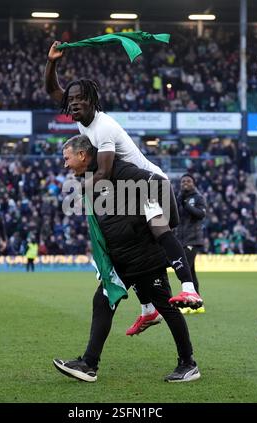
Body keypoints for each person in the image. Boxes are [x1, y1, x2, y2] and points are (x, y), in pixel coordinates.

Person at [45, 42, 203, 321]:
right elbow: (52, 92)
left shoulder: (104, 127)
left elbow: (104, 174)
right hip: (132, 190)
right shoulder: (84, 123)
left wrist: (81, 191)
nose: (71, 104)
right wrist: (52, 63)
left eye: (77, 99)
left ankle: (189, 289)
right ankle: (149, 308)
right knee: (129, 248)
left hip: (152, 185)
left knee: (160, 232)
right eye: (70, 101)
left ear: (92, 100)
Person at [53, 136, 201, 383]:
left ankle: (188, 364)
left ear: (82, 155)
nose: (65, 165)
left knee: (166, 306)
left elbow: (160, 183)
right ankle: (89, 364)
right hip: (122, 259)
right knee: (102, 301)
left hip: (144, 256)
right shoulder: (91, 179)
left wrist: (167, 223)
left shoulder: (119, 170)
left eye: (67, 158)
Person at [175, 174, 207, 314]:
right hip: (181, 239)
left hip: (193, 239)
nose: (185, 183)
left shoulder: (198, 197)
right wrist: (178, 201)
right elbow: (172, 214)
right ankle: (197, 304)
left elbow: (200, 214)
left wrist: (185, 204)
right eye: (183, 181)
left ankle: (189, 301)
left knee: (186, 269)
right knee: (190, 272)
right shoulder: (179, 197)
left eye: (188, 181)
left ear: (193, 183)